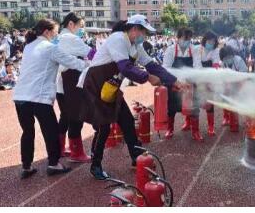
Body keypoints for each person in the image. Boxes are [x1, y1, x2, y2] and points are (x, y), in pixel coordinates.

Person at [77, 14, 184, 180]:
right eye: (144, 32)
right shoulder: (117, 39)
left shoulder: (135, 45)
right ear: (134, 29)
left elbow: (151, 65)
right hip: (95, 85)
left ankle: (137, 158)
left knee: (126, 121)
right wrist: (147, 77)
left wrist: (174, 81)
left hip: (111, 87)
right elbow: (125, 68)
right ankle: (95, 165)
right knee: (103, 126)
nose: (145, 36)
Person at [12, 18, 89, 179]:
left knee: (27, 132)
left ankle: (26, 166)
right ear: (47, 32)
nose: (57, 35)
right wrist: (92, 66)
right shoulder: (50, 48)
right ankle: (54, 164)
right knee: (51, 132)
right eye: (55, 31)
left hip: (20, 96)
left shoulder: (28, 46)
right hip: (38, 97)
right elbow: (73, 62)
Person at [54, 12, 93, 162]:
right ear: (71, 24)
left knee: (65, 116)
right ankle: (76, 152)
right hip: (70, 82)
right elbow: (91, 53)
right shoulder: (70, 38)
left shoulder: (58, 38)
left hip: (60, 85)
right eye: (80, 26)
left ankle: (60, 148)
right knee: (77, 116)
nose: (82, 29)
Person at [162, 28, 204, 142]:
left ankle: (195, 131)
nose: (187, 41)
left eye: (189, 38)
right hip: (174, 82)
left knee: (194, 107)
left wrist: (194, 79)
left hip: (190, 83)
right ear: (178, 38)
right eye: (185, 38)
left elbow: (197, 66)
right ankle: (170, 129)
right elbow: (166, 68)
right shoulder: (171, 50)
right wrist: (177, 81)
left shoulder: (194, 49)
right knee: (171, 106)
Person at [193, 31, 221, 137]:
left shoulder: (215, 50)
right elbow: (197, 65)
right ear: (205, 40)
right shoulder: (197, 49)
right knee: (195, 104)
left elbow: (216, 63)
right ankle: (195, 130)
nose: (211, 43)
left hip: (209, 79)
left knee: (210, 104)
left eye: (213, 41)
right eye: (209, 41)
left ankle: (211, 127)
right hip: (198, 78)